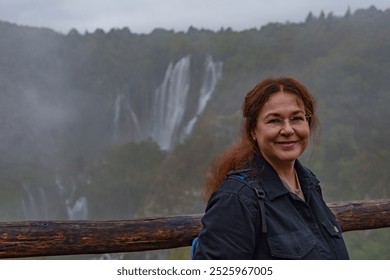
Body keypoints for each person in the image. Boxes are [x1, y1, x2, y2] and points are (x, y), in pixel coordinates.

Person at [192, 77, 349, 259]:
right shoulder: (236, 199)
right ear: (253, 131)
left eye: (296, 118)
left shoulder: (309, 183)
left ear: (308, 123)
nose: (288, 129)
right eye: (274, 121)